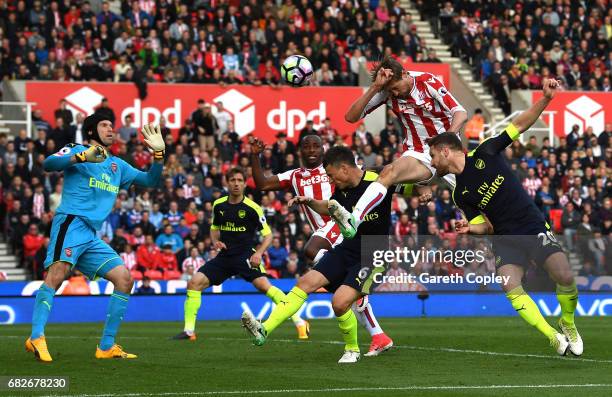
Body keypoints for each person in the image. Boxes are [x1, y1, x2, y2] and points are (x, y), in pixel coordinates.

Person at [427, 79, 582, 356]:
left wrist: (546, 99)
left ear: (445, 151)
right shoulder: (459, 194)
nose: (432, 161)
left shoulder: (485, 151)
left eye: (433, 155)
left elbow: (519, 125)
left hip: (530, 224)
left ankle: (567, 322)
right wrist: (469, 229)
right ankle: (553, 336)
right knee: (509, 284)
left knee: (565, 275)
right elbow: (484, 226)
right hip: (504, 237)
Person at [25, 112, 165, 362]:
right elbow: (47, 164)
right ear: (91, 132)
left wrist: (158, 155)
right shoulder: (77, 150)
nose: (111, 129)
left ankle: (106, 347)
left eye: (112, 125)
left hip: (90, 235)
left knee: (124, 279)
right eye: (104, 125)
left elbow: (151, 181)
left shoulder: (118, 166)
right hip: (71, 223)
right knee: (57, 274)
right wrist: (80, 156)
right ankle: (36, 336)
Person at [242, 146, 392, 363]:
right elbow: (331, 206)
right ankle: (263, 330)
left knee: (339, 302)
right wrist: (310, 201)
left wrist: (422, 191)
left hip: (374, 252)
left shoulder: (380, 179)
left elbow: (413, 184)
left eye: (331, 175)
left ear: (344, 168)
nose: (330, 180)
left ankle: (352, 349)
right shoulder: (341, 189)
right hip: (348, 248)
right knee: (305, 282)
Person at [333, 55, 467, 239]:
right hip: (419, 153)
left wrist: (448, 139)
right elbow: (350, 117)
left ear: (404, 74)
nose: (394, 94)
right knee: (388, 173)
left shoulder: (427, 81)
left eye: (395, 88)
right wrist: (375, 87)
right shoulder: (386, 92)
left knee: (478, 204)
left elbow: (460, 112)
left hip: (447, 151)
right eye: (390, 90)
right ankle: (353, 220)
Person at [173, 168, 308, 341]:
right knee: (194, 283)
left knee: (264, 286)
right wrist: (216, 242)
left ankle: (300, 322)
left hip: (245, 255)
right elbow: (214, 229)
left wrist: (258, 253)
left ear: (244, 184)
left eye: (239, 180)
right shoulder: (219, 205)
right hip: (224, 256)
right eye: (232, 180)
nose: (236, 183)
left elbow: (268, 236)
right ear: (226, 182)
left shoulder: (253, 208)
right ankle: (189, 332)